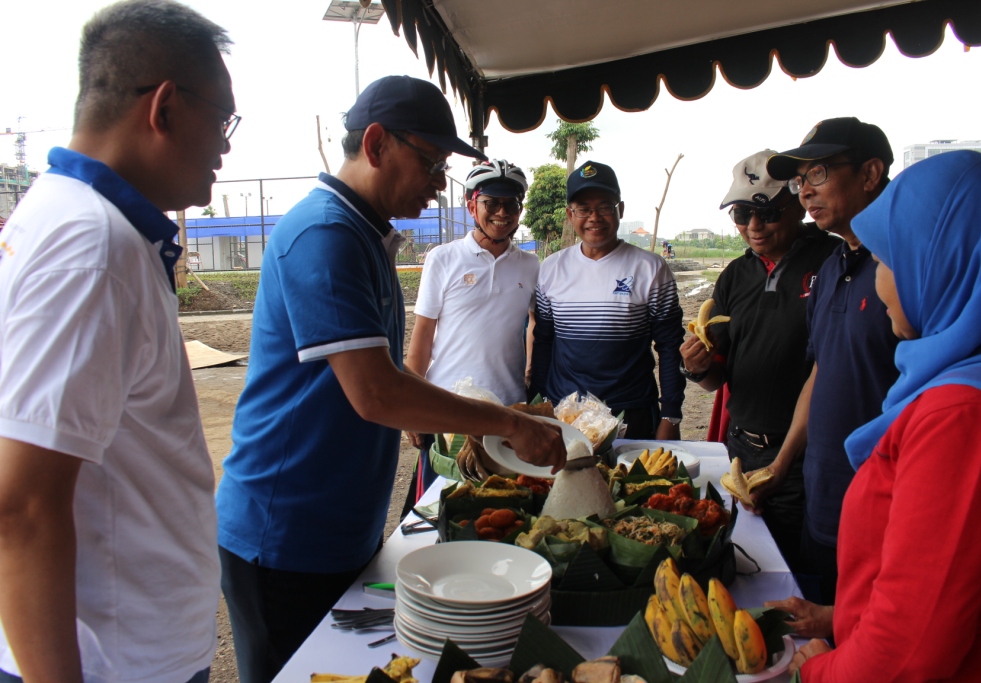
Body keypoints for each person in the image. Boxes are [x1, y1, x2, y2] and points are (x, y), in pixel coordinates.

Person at [216, 76, 566, 683]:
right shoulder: (326, 234)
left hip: (339, 523)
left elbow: (393, 379)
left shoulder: (365, 236)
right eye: (430, 162)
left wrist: (505, 415)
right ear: (376, 144)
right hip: (285, 531)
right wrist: (504, 422)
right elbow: (378, 391)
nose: (438, 183)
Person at [0, 2, 235, 681]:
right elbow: (23, 506)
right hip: (115, 661)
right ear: (164, 107)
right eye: (221, 120)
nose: (225, 145)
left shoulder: (78, 221)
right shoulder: (92, 246)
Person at [791, 150, 981, 681]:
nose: (878, 283)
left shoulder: (967, 412)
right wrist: (843, 618)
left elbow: (909, 651)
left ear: (948, 262)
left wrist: (818, 674)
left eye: (889, 261)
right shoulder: (980, 382)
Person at [754, 118, 901, 611]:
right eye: (800, 182)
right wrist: (782, 463)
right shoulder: (833, 267)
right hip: (822, 490)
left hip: (884, 502)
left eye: (817, 173)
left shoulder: (907, 270)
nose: (804, 193)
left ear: (870, 172)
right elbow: (822, 371)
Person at [679, 150, 840, 570]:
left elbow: (833, 371)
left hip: (807, 458)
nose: (753, 227)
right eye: (741, 214)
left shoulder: (833, 262)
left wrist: (784, 463)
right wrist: (696, 367)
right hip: (741, 449)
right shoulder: (735, 274)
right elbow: (717, 378)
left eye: (765, 213)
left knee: (796, 571)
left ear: (797, 205)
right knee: (744, 564)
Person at [406, 160, 540, 497]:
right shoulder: (443, 258)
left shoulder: (530, 264)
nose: (502, 212)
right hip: (446, 411)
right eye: (491, 202)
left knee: (502, 513)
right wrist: (412, 410)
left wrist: (528, 372)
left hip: (507, 410)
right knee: (442, 512)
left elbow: (535, 324)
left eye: (511, 204)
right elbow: (421, 340)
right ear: (471, 206)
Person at [531, 160, 684, 440]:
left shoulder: (651, 269)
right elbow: (544, 342)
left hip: (631, 412)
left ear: (620, 210)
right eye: (584, 209)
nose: (594, 217)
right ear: (570, 214)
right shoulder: (550, 269)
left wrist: (670, 415)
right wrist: (538, 406)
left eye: (604, 206)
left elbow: (670, 346)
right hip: (565, 415)